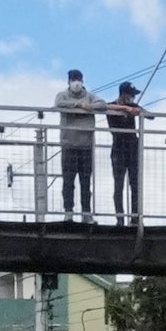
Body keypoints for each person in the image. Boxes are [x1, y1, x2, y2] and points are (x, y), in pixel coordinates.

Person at [55, 69, 97, 219]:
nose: (76, 83)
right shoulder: (62, 95)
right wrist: (79, 105)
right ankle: (69, 212)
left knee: (85, 182)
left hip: (86, 146)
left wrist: (89, 106)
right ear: (68, 81)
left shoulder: (90, 96)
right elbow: (59, 104)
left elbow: (102, 104)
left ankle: (86, 213)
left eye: (78, 79)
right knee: (68, 181)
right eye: (74, 80)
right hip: (69, 145)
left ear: (83, 81)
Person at [105, 80, 146, 222]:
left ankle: (135, 217)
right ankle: (120, 218)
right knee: (118, 185)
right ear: (123, 94)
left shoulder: (133, 106)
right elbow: (104, 107)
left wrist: (137, 111)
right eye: (130, 95)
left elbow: (150, 115)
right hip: (118, 148)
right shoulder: (113, 106)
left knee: (135, 184)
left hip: (133, 148)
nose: (132, 98)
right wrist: (124, 108)